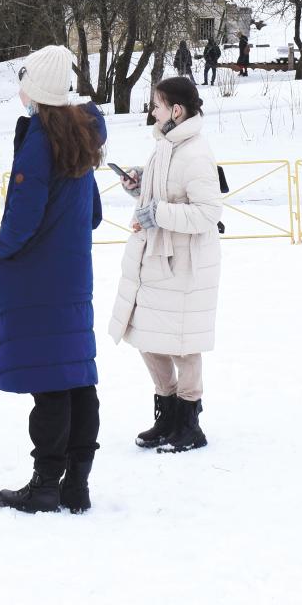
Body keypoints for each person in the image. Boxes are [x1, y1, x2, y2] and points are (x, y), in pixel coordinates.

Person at [0, 45, 105, 515]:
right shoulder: (81, 135)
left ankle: (45, 484)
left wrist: (1, 250)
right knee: (77, 380)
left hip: (36, 279)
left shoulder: (40, 141)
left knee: (51, 383)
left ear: (35, 89)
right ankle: (77, 484)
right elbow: (92, 213)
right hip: (73, 276)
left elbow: (22, 219)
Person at [107, 75, 222, 455]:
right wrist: (139, 185)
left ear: (176, 110)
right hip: (155, 259)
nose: (150, 112)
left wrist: (158, 212)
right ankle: (167, 412)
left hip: (185, 264)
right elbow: (161, 193)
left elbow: (207, 214)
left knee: (183, 343)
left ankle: (189, 422)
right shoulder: (164, 146)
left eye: (155, 105)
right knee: (145, 336)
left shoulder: (196, 153)